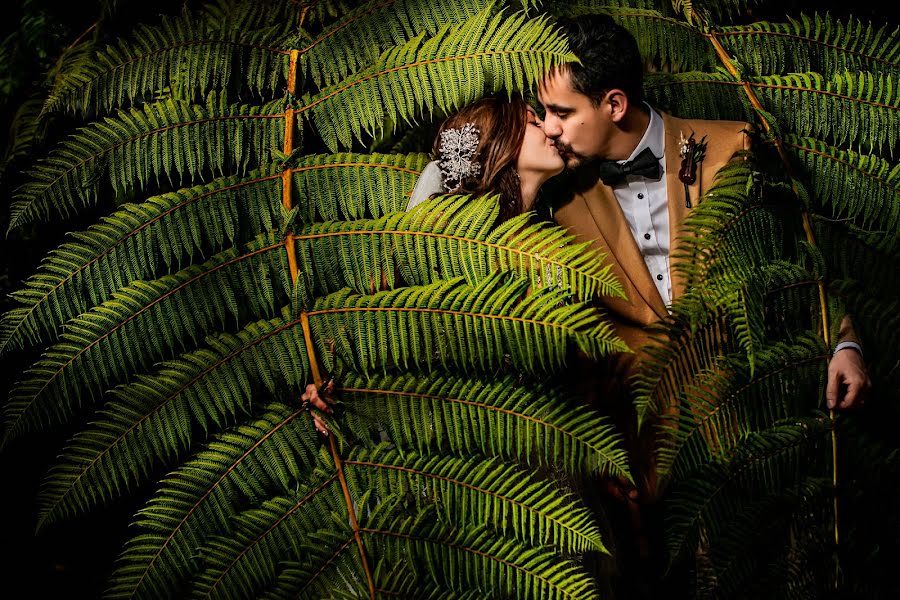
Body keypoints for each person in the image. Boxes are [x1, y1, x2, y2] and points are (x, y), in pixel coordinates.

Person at [536, 12, 871, 597]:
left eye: (562, 112)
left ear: (614, 104)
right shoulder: (555, 198)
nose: (549, 129)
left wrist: (844, 341)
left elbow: (799, 253)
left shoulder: (732, 146)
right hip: (645, 446)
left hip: (753, 412)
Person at [302, 93, 566, 433]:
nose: (549, 128)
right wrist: (330, 383)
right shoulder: (442, 248)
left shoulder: (553, 238)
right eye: (533, 121)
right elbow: (377, 328)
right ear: (500, 141)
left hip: (534, 435)